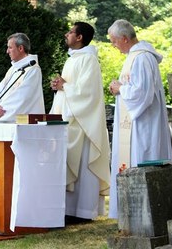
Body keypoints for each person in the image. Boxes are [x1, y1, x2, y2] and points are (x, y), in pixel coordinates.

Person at [107, 19, 172, 219]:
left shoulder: (142, 58)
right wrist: (120, 87)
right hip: (135, 124)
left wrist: (120, 88)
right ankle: (132, 212)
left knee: (142, 158)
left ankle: (143, 213)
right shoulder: (134, 57)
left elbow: (143, 93)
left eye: (114, 41)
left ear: (125, 38)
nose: (113, 45)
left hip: (144, 125)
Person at [50, 22, 110, 221]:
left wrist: (65, 86)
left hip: (83, 123)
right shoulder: (72, 59)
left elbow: (88, 93)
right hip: (68, 119)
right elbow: (69, 88)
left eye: (70, 32)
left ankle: (84, 211)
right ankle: (68, 210)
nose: (67, 34)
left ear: (80, 37)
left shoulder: (89, 60)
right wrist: (59, 87)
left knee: (84, 166)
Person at [0, 32, 45, 123]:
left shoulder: (33, 70)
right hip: (5, 120)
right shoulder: (13, 69)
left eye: (10, 47)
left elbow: (22, 98)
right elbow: (0, 91)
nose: (7, 51)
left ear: (20, 48)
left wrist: (2, 111)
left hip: (22, 123)